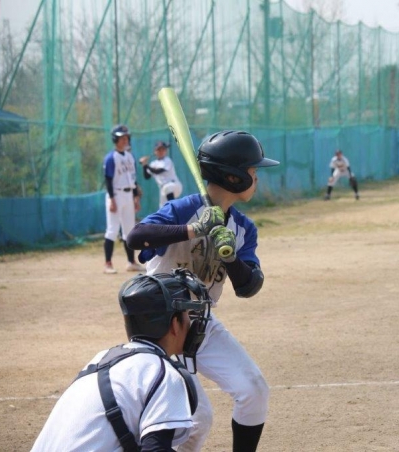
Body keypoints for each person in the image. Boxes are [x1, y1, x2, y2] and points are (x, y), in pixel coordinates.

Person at [126, 130, 279, 452]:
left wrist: (231, 255)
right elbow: (136, 237)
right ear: (234, 177)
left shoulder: (243, 228)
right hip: (162, 327)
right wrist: (194, 229)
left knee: (254, 390)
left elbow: (249, 286)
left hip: (200, 324)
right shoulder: (184, 209)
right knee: (197, 417)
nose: (256, 179)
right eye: (253, 172)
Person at [31, 268, 213, 452]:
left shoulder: (103, 359)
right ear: (174, 324)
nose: (191, 323)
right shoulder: (163, 373)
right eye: (187, 315)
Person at [103, 124, 146, 274]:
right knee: (112, 230)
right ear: (115, 139)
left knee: (129, 230)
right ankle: (108, 264)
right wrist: (112, 200)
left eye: (126, 137)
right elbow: (108, 180)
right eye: (122, 137)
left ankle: (131, 262)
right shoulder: (111, 158)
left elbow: (133, 179)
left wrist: (136, 198)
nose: (125, 140)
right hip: (115, 194)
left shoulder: (129, 157)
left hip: (128, 195)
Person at [139, 140, 184, 208]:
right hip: (163, 189)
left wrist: (147, 165)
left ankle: (174, 208)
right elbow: (147, 176)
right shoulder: (153, 163)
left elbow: (158, 171)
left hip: (174, 185)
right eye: (159, 149)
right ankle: (172, 210)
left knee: (167, 188)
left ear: (166, 151)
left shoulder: (167, 160)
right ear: (155, 151)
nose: (161, 151)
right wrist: (144, 165)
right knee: (162, 208)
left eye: (163, 149)